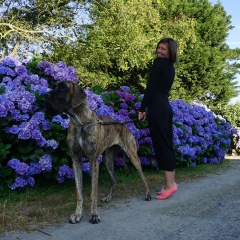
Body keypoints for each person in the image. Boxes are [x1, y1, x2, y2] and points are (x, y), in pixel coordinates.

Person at [138, 38, 178, 200]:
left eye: (163, 49)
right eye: (159, 48)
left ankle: (170, 185)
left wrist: (142, 108)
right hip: (164, 107)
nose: (159, 51)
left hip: (158, 107)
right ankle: (171, 183)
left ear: (170, 52)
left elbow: (151, 88)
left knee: (162, 145)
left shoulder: (158, 63)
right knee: (166, 144)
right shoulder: (170, 67)